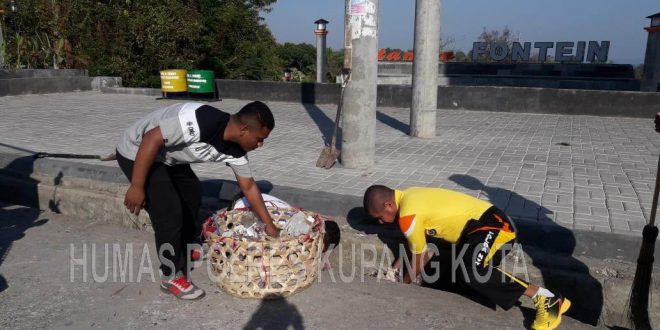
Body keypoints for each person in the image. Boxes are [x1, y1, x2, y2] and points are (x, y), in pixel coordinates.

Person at [115, 101, 279, 300]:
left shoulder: (236, 151)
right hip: (138, 150)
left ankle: (185, 248)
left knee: (192, 194)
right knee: (169, 212)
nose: (260, 145)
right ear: (244, 129)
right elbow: (152, 138)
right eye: (259, 139)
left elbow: (249, 187)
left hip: (169, 158)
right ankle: (170, 275)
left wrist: (269, 225)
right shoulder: (202, 121)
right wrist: (137, 186)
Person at [363, 185, 572, 330]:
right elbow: (414, 247)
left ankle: (546, 299)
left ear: (389, 205)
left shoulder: (408, 215)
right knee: (456, 272)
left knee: (472, 269)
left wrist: (403, 285)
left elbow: (420, 256)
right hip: (478, 230)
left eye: (379, 217)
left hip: (494, 225)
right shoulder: (409, 196)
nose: (381, 223)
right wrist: (397, 270)